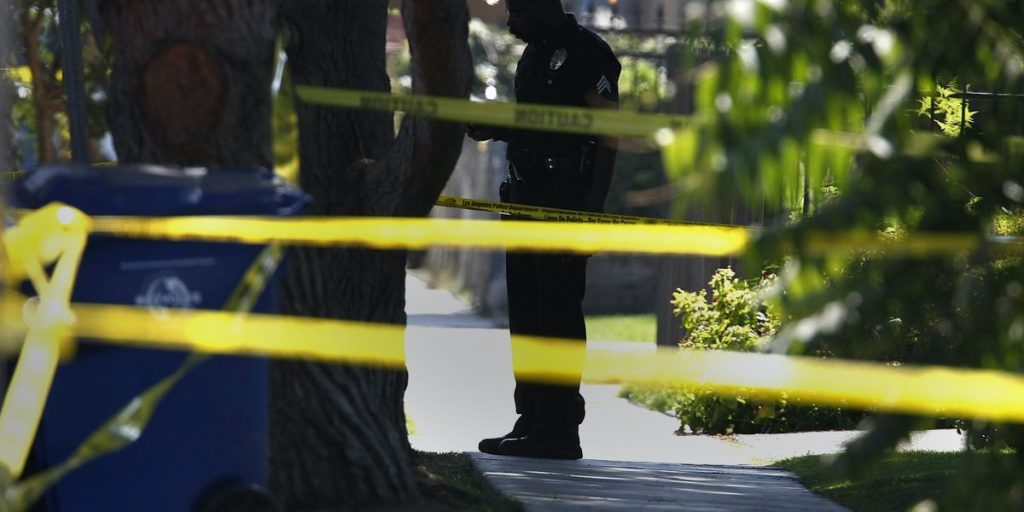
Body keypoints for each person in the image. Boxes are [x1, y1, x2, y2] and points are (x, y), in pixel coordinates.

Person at [467, 0, 621, 460]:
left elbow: (607, 135)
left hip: (563, 199)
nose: (510, 21)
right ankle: (532, 418)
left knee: (556, 314)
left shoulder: (589, 52)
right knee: (527, 314)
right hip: (523, 197)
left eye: (517, 11)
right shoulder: (533, 53)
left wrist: (591, 212)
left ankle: (560, 427)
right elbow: (538, 125)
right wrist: (497, 127)